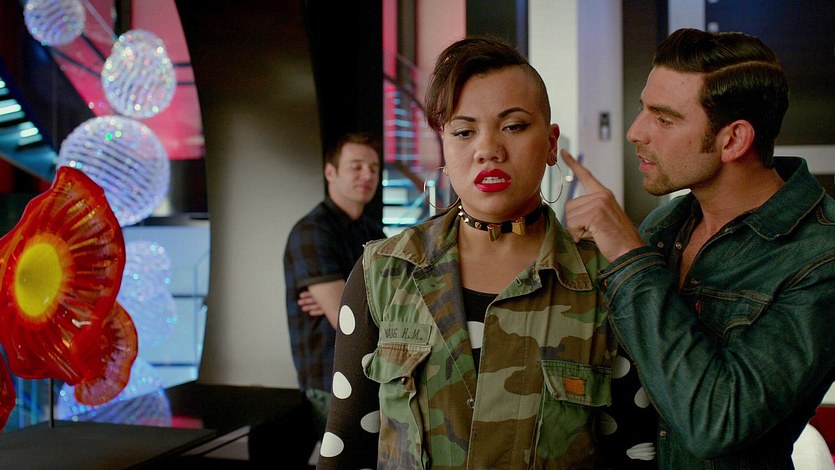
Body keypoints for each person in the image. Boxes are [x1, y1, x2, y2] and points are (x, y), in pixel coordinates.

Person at [317, 36, 657, 469]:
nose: (488, 150)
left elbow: (634, 449)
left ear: (551, 143)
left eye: (513, 126)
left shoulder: (603, 281)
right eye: (464, 132)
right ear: (444, 147)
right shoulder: (383, 272)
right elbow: (345, 446)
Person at [562, 27, 835, 468]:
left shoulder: (821, 255)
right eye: (643, 109)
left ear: (733, 140)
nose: (635, 132)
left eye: (664, 119)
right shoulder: (667, 225)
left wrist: (630, 259)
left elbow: (717, 421)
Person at [283, 131, 386, 444]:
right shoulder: (311, 231)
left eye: (373, 168)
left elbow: (398, 299)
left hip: (375, 376)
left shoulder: (372, 232)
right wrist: (358, 303)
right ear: (331, 172)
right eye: (356, 166)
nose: (367, 175)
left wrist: (355, 301)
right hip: (332, 382)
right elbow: (348, 321)